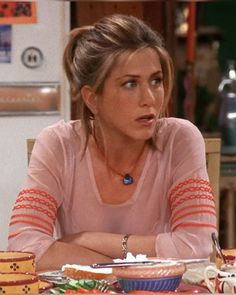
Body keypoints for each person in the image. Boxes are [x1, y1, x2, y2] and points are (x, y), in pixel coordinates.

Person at [8, 14, 217, 271]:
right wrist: (123, 271)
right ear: (92, 99)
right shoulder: (58, 144)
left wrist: (86, 241)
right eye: (130, 84)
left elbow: (197, 247)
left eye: (156, 80)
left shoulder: (180, 139)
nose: (149, 98)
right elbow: (23, 248)